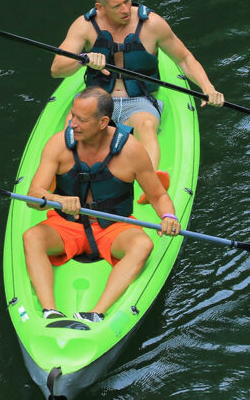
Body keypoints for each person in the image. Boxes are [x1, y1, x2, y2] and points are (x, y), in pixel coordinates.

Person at [51, 0, 224, 203]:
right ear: (100, 7)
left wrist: (207, 86)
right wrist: (83, 58)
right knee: (72, 128)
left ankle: (150, 184)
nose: (125, 9)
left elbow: (184, 59)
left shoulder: (152, 24)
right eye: (117, 5)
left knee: (146, 124)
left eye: (127, 1)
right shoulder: (84, 26)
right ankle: (63, 178)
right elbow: (57, 69)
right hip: (100, 99)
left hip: (139, 100)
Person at [22, 86, 181, 323]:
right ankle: (49, 311)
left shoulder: (130, 150)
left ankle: (96, 313)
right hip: (67, 226)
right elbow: (34, 196)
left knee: (142, 244)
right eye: (73, 116)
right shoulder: (58, 144)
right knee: (32, 237)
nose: (73, 123)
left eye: (81, 119)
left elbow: (158, 196)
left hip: (113, 227)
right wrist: (58, 199)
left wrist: (169, 216)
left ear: (103, 122)